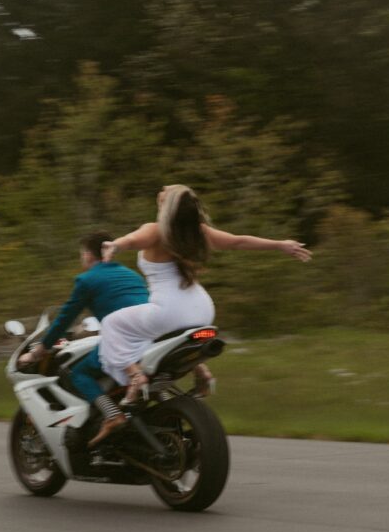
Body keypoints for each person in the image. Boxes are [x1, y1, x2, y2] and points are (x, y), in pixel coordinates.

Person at [93, 184, 312, 445]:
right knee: (165, 337)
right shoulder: (198, 232)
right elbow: (238, 241)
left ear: (167, 203)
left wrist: (113, 246)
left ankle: (134, 375)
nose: (162, 188)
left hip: (168, 311)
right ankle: (202, 373)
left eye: (166, 188)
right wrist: (280, 245)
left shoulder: (155, 230)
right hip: (202, 308)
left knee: (112, 324)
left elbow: (131, 241)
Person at [18, 231, 149, 428]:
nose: (82, 258)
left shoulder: (87, 280)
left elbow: (64, 319)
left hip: (124, 341)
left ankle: (112, 414)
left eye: (82, 254)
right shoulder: (132, 275)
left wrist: (39, 351)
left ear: (88, 254)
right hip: (151, 337)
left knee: (77, 373)